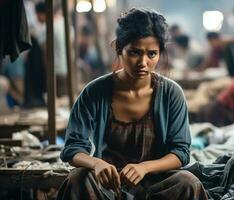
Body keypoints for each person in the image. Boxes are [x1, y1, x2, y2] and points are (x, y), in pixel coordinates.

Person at [57, 8, 207, 200]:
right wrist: (96, 163)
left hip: (156, 181)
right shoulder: (94, 92)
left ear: (160, 53)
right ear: (119, 48)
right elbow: (72, 148)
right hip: (108, 183)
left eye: (152, 54)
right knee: (78, 178)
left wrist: (145, 167)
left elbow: (180, 152)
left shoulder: (171, 94)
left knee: (188, 182)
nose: (143, 62)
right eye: (135, 52)